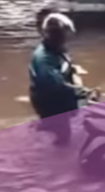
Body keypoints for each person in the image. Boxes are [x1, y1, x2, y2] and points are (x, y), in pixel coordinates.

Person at [29, 8, 99, 146]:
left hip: (58, 95)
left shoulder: (57, 48)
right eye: (63, 35)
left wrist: (73, 69)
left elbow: (65, 65)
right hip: (48, 99)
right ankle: (52, 134)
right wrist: (85, 92)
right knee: (64, 137)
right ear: (54, 35)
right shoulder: (43, 59)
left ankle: (47, 125)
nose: (65, 39)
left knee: (70, 116)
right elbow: (56, 86)